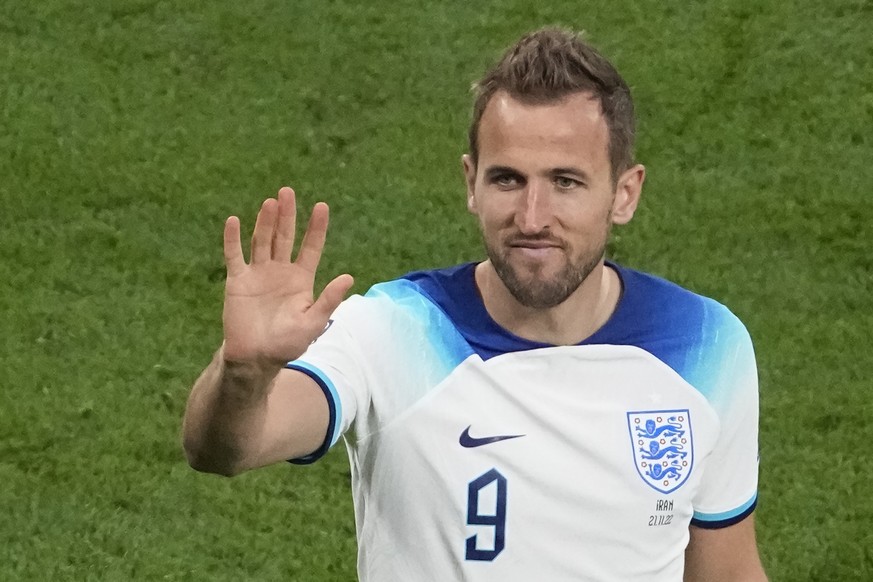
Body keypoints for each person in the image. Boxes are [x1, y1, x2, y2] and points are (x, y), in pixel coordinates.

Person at [183, 27, 767, 581]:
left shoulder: (707, 346)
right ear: (471, 182)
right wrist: (244, 373)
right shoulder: (396, 331)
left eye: (566, 182)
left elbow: (729, 570)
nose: (533, 218)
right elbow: (227, 449)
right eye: (508, 180)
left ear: (624, 193)